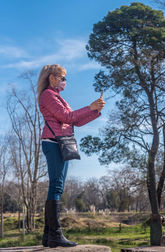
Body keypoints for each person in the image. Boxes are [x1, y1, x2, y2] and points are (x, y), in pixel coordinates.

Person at [37, 64, 105, 248]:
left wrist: (95, 110)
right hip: (53, 142)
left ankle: (48, 236)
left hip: (60, 142)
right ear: (52, 78)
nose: (65, 81)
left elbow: (76, 120)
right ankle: (55, 235)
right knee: (56, 186)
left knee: (56, 186)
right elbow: (67, 117)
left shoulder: (57, 97)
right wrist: (89, 107)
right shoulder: (48, 95)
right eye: (63, 78)